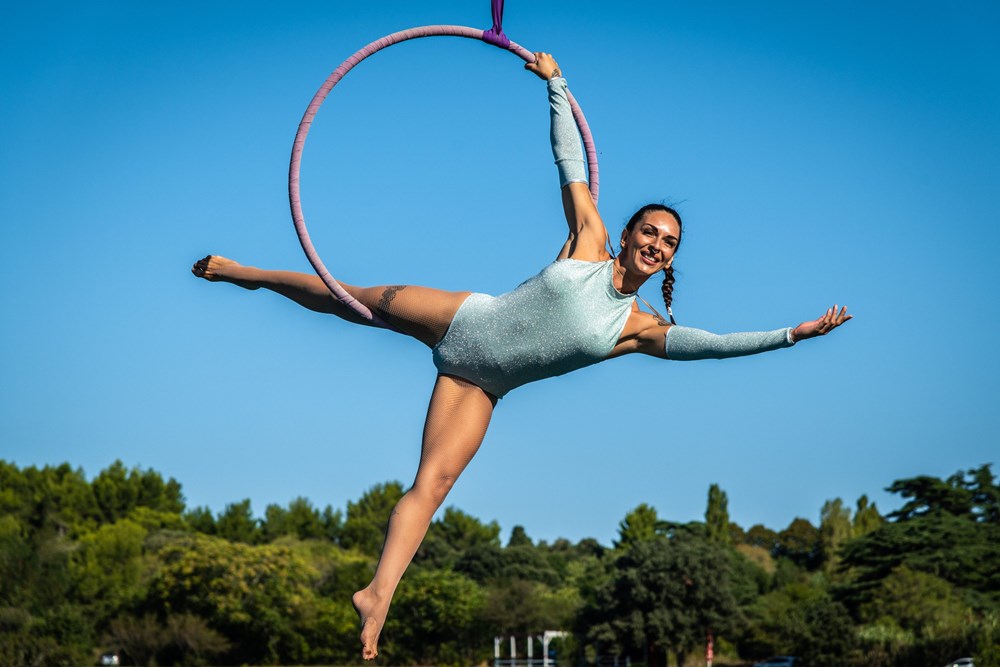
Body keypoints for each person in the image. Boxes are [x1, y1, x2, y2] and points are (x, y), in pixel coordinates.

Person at [191, 53, 851, 660]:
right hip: (466, 318)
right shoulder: (588, 239)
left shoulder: (639, 328)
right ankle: (246, 272)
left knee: (435, 484)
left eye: (669, 241)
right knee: (352, 299)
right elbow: (567, 160)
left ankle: (378, 593)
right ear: (626, 234)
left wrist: (789, 335)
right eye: (649, 230)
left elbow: (713, 347)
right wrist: (556, 84)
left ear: (672, 257)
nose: (657, 242)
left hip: (480, 383)